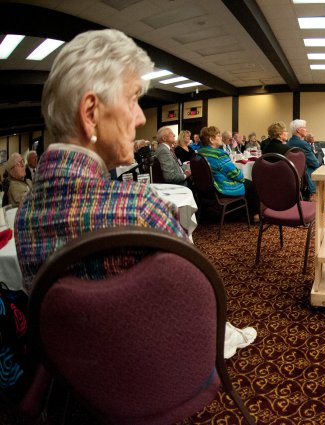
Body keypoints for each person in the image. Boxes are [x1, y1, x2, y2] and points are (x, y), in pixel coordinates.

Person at [8, 29, 253, 404]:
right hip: (159, 377)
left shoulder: (24, 217)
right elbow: (196, 302)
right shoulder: (140, 209)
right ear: (91, 113)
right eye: (134, 100)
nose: (140, 117)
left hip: (82, 386)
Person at [197, 126, 260, 221]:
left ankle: (240, 212)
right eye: (218, 136)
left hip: (207, 190)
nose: (220, 138)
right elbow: (235, 174)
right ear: (211, 139)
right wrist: (241, 176)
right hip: (221, 187)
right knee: (251, 185)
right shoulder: (218, 154)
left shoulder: (200, 153)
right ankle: (255, 216)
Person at [288, 119, 320, 198]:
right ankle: (319, 199)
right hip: (303, 174)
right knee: (320, 168)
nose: (307, 130)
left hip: (291, 172)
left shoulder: (288, 142)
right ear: (299, 130)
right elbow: (315, 163)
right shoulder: (303, 144)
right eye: (305, 128)